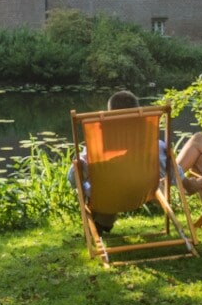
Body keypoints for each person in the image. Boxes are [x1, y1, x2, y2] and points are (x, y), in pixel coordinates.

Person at [69, 90, 172, 236]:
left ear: (110, 115)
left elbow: (73, 178)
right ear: (138, 113)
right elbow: (171, 167)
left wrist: (78, 176)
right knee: (117, 183)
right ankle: (103, 223)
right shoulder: (154, 144)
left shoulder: (97, 146)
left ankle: (101, 223)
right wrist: (185, 182)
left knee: (93, 185)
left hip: (105, 196)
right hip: (142, 192)